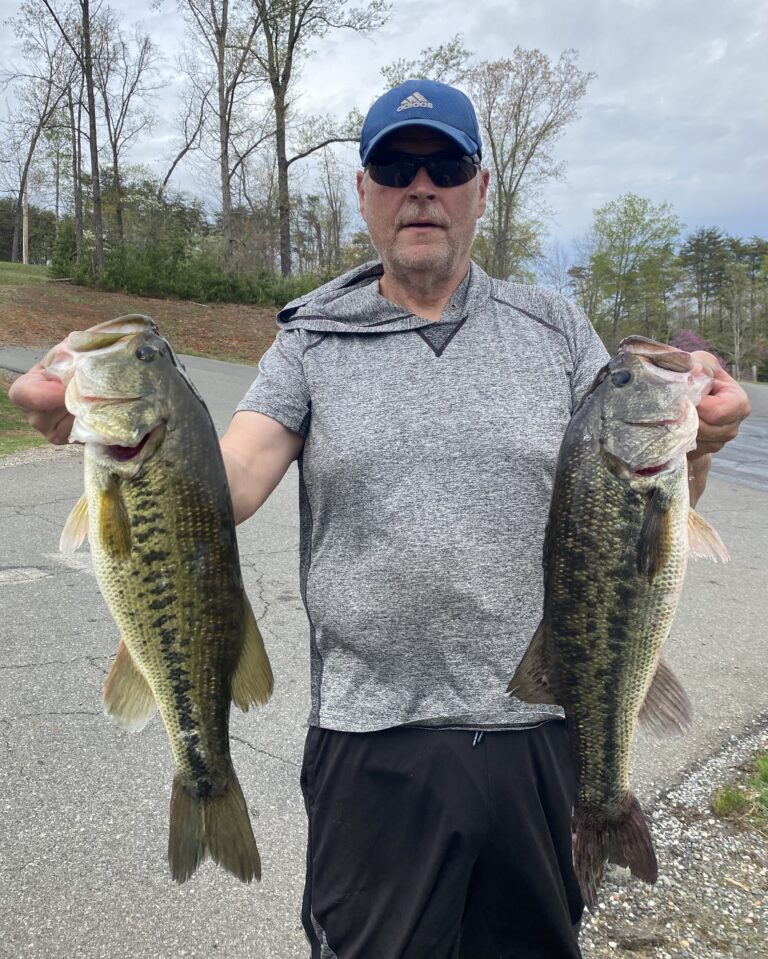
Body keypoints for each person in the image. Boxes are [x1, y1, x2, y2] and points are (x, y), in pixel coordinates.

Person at [10, 79, 750, 958]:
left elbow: (634, 518)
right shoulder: (311, 338)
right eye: (397, 165)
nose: (422, 186)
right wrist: (108, 431)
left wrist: (696, 449)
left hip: (542, 737)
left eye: (447, 163)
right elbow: (231, 478)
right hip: (373, 750)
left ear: (481, 188)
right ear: (363, 193)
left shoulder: (557, 329)